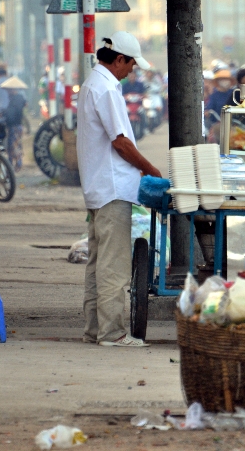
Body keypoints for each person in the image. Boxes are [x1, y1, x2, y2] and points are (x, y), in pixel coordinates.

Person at [77, 31, 163, 348]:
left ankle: (93, 330)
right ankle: (112, 333)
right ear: (118, 60)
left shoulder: (92, 84)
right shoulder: (106, 89)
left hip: (98, 187)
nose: (132, 71)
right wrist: (150, 169)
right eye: (130, 65)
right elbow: (121, 142)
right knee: (113, 266)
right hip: (112, 188)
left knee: (97, 263)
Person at [0, 76, 28, 171]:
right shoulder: (19, 98)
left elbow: (13, 112)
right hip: (16, 125)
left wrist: (5, 114)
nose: (7, 92)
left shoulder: (16, 99)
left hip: (15, 125)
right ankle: (12, 163)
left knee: (13, 145)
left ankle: (17, 163)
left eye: (8, 90)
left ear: (12, 90)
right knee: (14, 144)